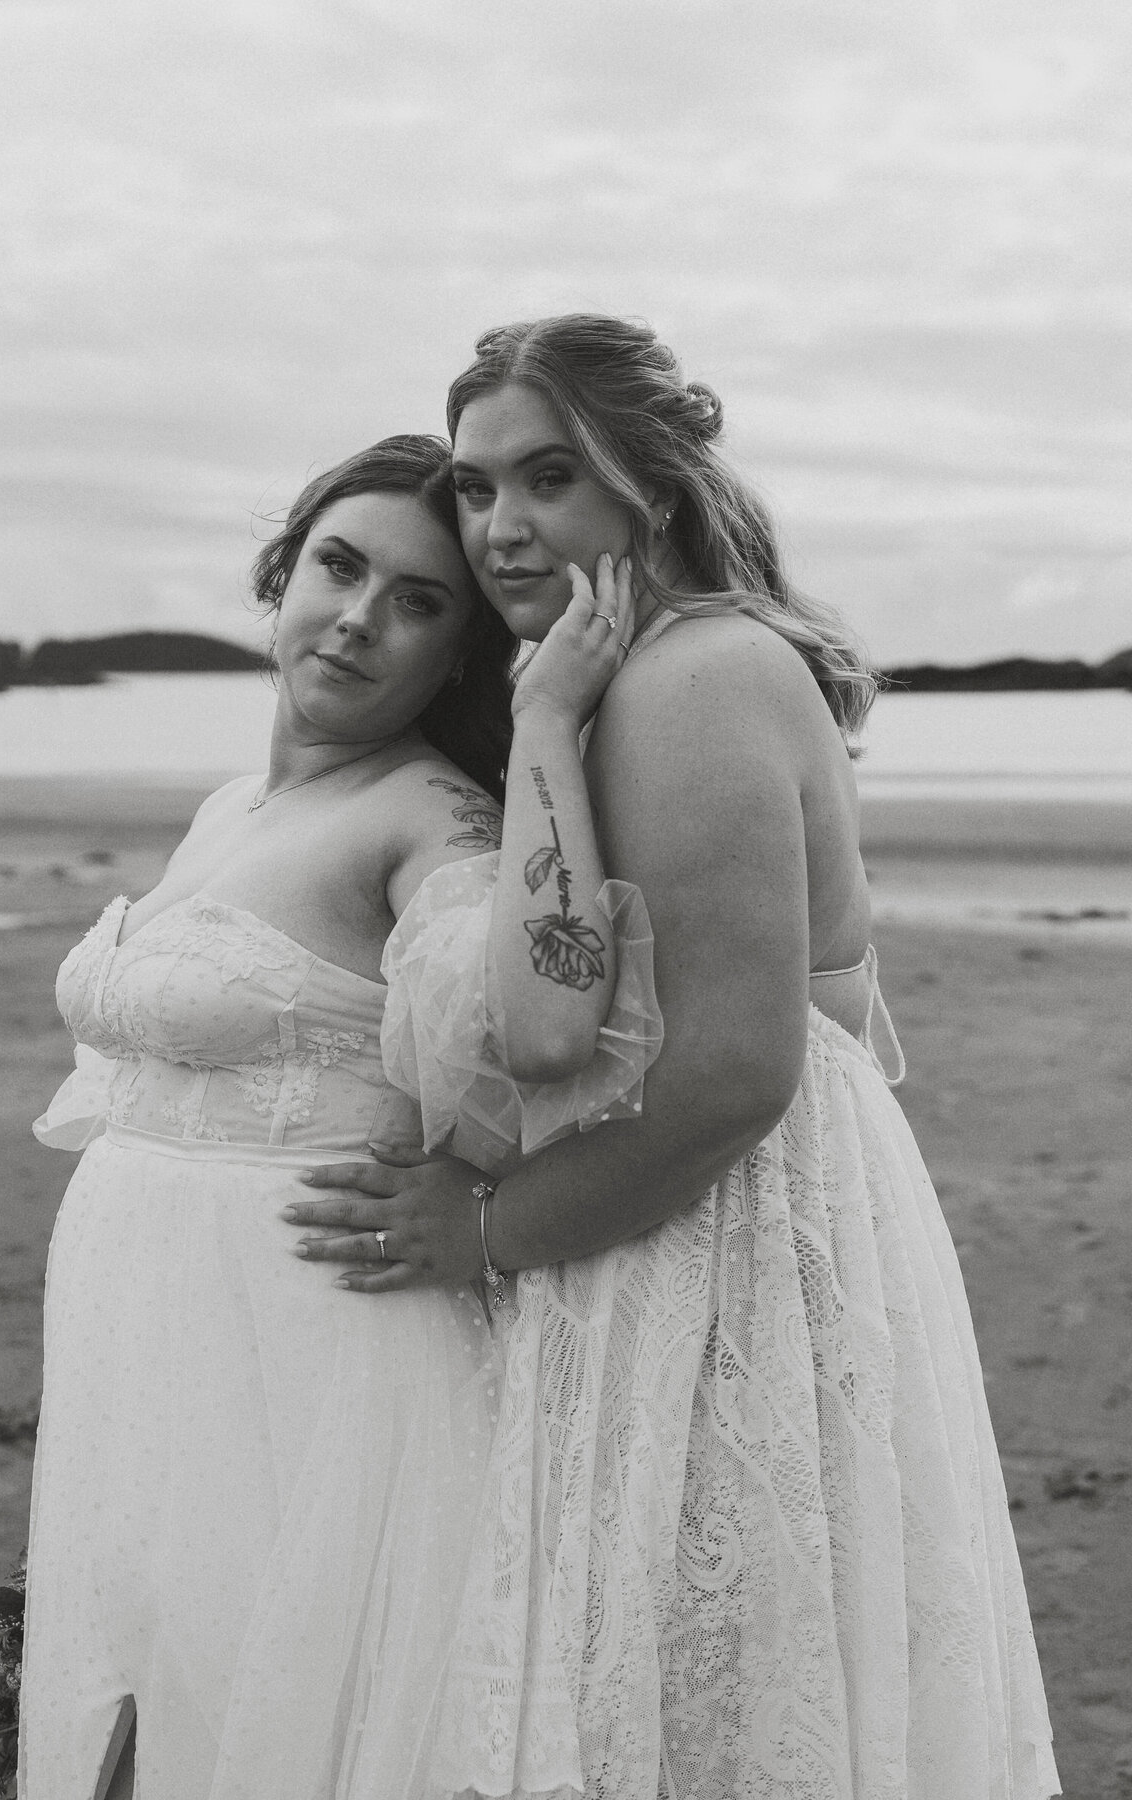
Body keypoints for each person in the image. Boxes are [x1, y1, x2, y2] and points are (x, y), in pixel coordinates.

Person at [286, 318, 1062, 1800]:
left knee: (707, 1697)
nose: (501, 527)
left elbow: (733, 1077)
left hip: (728, 1227)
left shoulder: (700, 674)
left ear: (649, 484)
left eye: (550, 478)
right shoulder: (615, 675)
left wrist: (490, 1229)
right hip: (654, 1215)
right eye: (477, 486)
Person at [19, 434, 663, 1800]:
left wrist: (548, 726)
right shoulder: (229, 807)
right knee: (151, 1706)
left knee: (298, 1728)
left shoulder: (430, 820)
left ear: (459, 652)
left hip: (316, 1362)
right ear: (283, 574)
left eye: (419, 602)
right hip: (141, 1346)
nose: (361, 617)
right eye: (339, 567)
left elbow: (550, 1033)